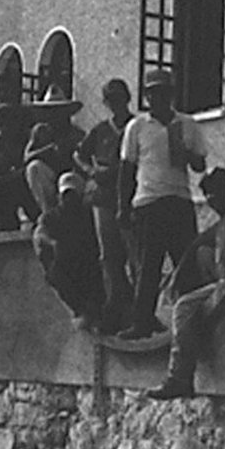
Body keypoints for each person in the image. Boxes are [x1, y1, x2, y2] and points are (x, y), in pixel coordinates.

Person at [117, 68, 208, 339]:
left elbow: (200, 165)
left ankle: (194, 321)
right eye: (152, 93)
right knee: (148, 266)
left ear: (171, 95)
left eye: (163, 92)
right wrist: (123, 207)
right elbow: (127, 169)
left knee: (187, 264)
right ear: (146, 96)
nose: (157, 98)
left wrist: (186, 152)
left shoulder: (187, 124)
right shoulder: (137, 127)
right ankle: (142, 322)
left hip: (179, 200)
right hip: (148, 202)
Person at [148, 168, 225, 399]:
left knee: (184, 307)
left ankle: (179, 378)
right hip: (224, 279)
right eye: (207, 195)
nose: (209, 201)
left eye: (213, 194)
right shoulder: (224, 221)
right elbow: (201, 244)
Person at [75, 78, 137, 332]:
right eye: (110, 99)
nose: (115, 103)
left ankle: (139, 310)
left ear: (127, 98)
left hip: (131, 195)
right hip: (104, 197)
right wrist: (91, 171)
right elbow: (79, 154)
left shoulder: (136, 126)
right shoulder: (100, 130)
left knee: (134, 253)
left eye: (119, 97)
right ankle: (116, 307)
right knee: (109, 256)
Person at [34, 172, 105, 327]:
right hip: (66, 264)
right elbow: (40, 234)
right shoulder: (51, 216)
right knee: (54, 273)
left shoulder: (90, 213)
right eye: (65, 195)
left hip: (91, 263)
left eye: (73, 194)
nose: (69, 199)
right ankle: (82, 310)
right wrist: (52, 242)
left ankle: (97, 310)